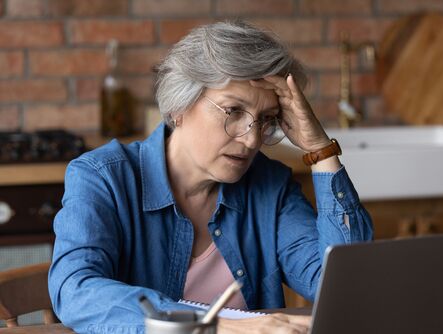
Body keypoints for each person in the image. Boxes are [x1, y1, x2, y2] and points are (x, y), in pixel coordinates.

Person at [48, 21, 373, 334]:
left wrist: (320, 150)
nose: (251, 139)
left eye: (265, 120)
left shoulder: (270, 185)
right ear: (179, 106)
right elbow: (76, 291)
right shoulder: (104, 178)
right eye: (233, 112)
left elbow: (347, 290)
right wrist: (216, 326)